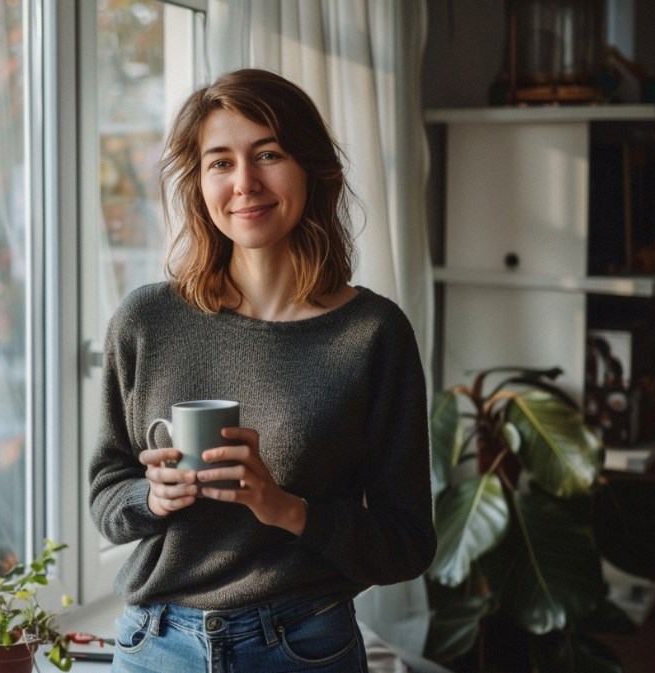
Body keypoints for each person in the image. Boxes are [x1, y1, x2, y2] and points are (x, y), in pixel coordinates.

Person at [88, 68, 436, 673]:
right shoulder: (145, 319)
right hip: (156, 646)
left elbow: (406, 542)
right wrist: (155, 496)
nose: (245, 183)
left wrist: (286, 508)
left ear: (310, 168)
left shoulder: (372, 334)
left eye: (268, 154)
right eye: (220, 162)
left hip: (304, 644)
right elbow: (107, 494)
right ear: (199, 184)